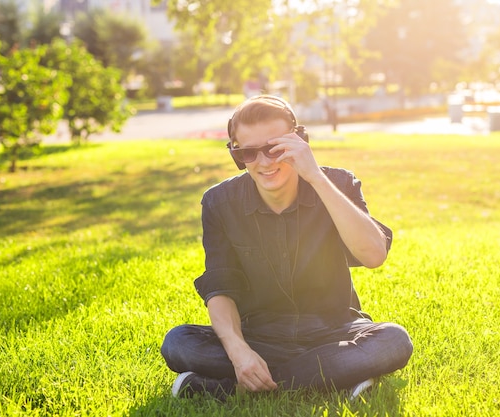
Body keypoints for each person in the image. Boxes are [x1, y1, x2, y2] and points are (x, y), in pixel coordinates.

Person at [161, 95, 413, 401]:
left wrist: (315, 176)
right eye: (248, 153)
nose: (264, 162)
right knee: (178, 343)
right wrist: (240, 353)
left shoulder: (338, 183)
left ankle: (228, 389)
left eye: (275, 148)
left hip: (333, 332)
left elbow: (373, 255)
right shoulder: (219, 202)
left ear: (299, 141)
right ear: (235, 154)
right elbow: (221, 287)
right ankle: (335, 379)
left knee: (393, 341)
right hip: (258, 336)